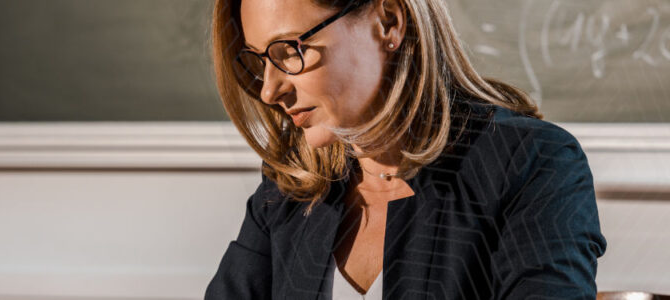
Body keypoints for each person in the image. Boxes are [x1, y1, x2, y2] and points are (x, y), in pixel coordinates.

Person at [204, 0, 608, 299]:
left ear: (389, 22)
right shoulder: (289, 188)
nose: (270, 89)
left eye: (289, 50)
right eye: (259, 60)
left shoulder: (532, 165)